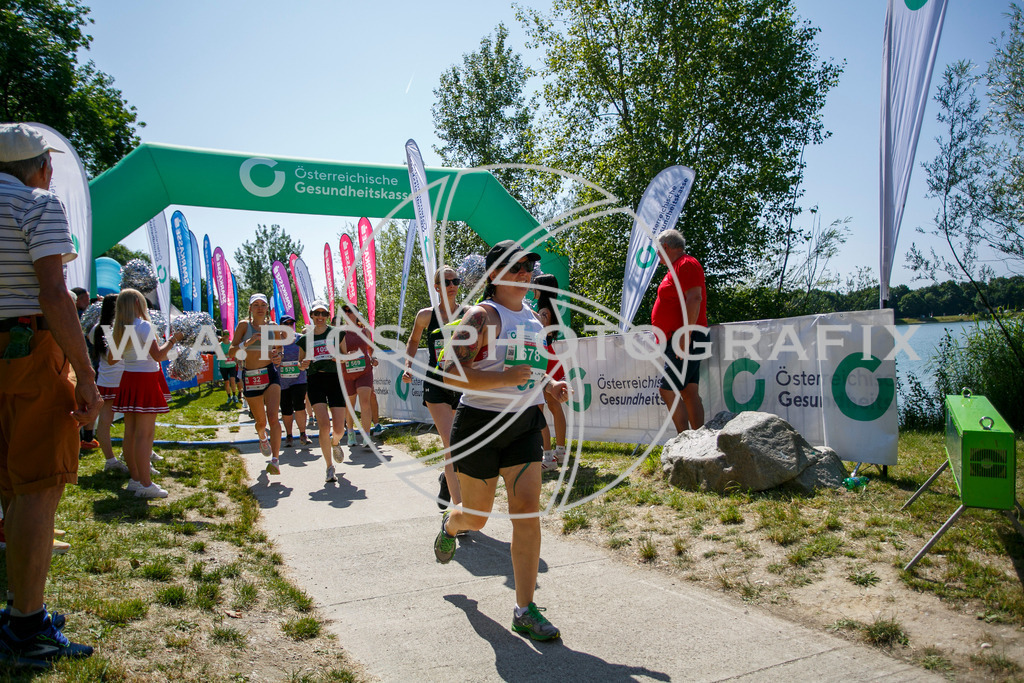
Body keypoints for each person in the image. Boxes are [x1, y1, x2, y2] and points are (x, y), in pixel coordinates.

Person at [433, 240, 570, 642]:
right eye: (517, 265)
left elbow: (525, 371)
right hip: (479, 425)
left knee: (526, 510)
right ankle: (451, 524)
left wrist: (549, 385)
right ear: (494, 275)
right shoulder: (482, 316)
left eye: (531, 264)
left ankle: (524, 609)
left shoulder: (530, 317)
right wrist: (503, 380)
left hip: (523, 424)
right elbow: (449, 372)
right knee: (475, 516)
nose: (527, 270)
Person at [0, 122, 100, 665]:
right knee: (39, 486)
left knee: (12, 485)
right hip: (28, 349)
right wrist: (84, 375)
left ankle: (20, 607)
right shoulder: (37, 206)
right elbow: (54, 294)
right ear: (39, 167)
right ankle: (26, 626)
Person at [109, 289, 184, 498]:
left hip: (128, 378)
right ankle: (145, 483)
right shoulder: (143, 326)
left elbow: (112, 359)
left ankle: (135, 480)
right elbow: (159, 355)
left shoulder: (120, 328)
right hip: (144, 380)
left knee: (130, 434)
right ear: (136, 302)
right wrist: (173, 340)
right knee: (145, 436)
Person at [402, 266, 464, 509]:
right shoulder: (426, 316)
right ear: (437, 287)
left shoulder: (468, 314)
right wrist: (408, 365)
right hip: (436, 384)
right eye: (446, 282)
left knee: (460, 443)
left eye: (455, 281)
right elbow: (413, 340)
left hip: (461, 383)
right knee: (451, 443)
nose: (452, 285)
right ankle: (459, 512)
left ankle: (446, 481)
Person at [651, 229, 708, 433]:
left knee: (667, 389)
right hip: (682, 337)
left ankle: (684, 439)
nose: (657, 255)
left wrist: (686, 333)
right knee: (689, 390)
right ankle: (698, 440)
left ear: (666, 247)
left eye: (658, 250)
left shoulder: (686, 264)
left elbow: (695, 298)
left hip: (685, 337)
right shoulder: (677, 267)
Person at [229, 294, 283, 475]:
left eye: (263, 305)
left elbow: (279, 349)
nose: (260, 308)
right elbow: (231, 351)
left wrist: (277, 356)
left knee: (274, 417)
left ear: (267, 308)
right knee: (261, 422)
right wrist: (248, 342)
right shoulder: (244, 326)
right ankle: (262, 437)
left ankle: (275, 460)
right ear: (250, 308)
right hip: (250, 377)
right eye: (256, 305)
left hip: (270, 374)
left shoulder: (273, 327)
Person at [295, 300, 347, 484]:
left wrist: (338, 358)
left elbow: (345, 357)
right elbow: (300, 365)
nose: (320, 317)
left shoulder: (337, 333)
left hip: (335, 380)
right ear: (311, 315)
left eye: (323, 314)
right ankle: (329, 467)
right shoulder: (304, 338)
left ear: (327, 315)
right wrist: (303, 364)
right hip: (315, 380)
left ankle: (335, 442)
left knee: (339, 429)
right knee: (324, 426)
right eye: (316, 313)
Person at [88, 294, 128, 474]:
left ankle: (110, 459)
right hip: (123, 379)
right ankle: (131, 457)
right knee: (132, 422)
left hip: (105, 380)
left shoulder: (96, 328)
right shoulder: (119, 329)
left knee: (104, 422)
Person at [532, 273, 568, 470]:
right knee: (554, 407)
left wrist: (527, 312)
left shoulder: (543, 310)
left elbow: (541, 328)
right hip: (550, 355)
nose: (532, 289)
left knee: (539, 409)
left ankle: (548, 457)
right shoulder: (550, 308)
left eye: (535, 285)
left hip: (543, 357)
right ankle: (560, 452)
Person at [339, 304, 378, 447]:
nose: (348, 313)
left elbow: (370, 349)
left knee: (365, 402)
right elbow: (335, 354)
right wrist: (345, 356)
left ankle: (367, 437)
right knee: (350, 405)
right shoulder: (339, 332)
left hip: (364, 371)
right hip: (347, 373)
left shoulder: (365, 331)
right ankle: (350, 432)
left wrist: (373, 358)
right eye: (345, 311)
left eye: (351, 311)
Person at [277, 315, 311, 448]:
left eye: (291, 324)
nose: (289, 326)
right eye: (286, 324)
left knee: (299, 406)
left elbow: (307, 355)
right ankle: (289, 435)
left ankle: (303, 434)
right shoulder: (276, 340)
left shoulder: (300, 339)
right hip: (282, 381)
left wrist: (304, 362)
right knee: (286, 409)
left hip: (299, 379)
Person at [219, 330, 239, 404]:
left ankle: (234, 395)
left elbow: (235, 353)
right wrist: (228, 354)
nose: (226, 335)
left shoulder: (232, 344)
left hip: (232, 365)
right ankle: (229, 396)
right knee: (226, 382)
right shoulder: (220, 345)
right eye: (225, 334)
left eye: (228, 334)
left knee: (233, 380)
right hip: (223, 366)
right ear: (222, 335)